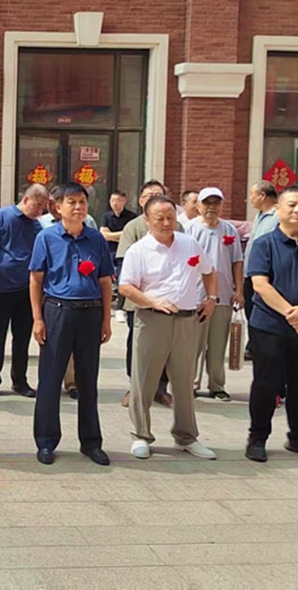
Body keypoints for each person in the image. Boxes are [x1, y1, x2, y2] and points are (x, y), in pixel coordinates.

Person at [119, 195, 220, 460]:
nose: (166, 223)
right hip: (152, 319)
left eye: (170, 217)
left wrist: (211, 298)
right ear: (147, 220)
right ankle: (141, 435)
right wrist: (152, 301)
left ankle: (186, 437)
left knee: (185, 381)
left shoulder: (189, 243)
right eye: (160, 218)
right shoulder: (139, 250)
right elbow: (126, 287)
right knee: (144, 379)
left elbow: (209, 271)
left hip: (187, 320)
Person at [244, 185, 298, 462]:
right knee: (266, 384)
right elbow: (260, 285)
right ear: (278, 209)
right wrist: (292, 315)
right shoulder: (264, 244)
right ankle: (257, 438)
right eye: (292, 205)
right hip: (270, 326)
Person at [29, 183, 113, 466]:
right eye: (72, 202)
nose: (78, 207)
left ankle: (91, 442)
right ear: (58, 207)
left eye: (82, 202)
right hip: (58, 311)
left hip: (90, 312)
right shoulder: (46, 237)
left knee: (88, 380)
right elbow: (36, 280)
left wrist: (106, 319)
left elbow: (105, 281)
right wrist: (38, 318)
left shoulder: (96, 239)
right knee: (50, 379)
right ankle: (46, 441)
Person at [0, 184, 49, 401]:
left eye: (43, 208)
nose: (39, 211)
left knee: (22, 338)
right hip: (1, 288)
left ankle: (20, 380)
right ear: (26, 200)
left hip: (26, 290)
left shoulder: (36, 226)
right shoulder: (1, 217)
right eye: (38, 206)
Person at [117, 180, 175, 409]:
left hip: (169, 301)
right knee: (138, 345)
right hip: (138, 301)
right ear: (141, 201)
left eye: (158, 194)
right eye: (148, 195)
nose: (153, 198)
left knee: (166, 347)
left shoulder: (177, 227)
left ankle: (160, 388)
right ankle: (136, 387)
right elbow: (123, 263)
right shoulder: (133, 227)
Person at [185, 187, 244, 401]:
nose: (211, 207)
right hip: (196, 296)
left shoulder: (229, 230)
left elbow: (237, 261)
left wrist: (239, 290)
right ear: (198, 206)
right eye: (207, 203)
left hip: (224, 295)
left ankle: (217, 385)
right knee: (194, 344)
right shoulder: (189, 229)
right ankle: (191, 384)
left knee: (218, 343)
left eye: (216, 203)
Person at [243, 180, 279, 325]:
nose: (249, 198)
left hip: (266, 276)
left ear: (262, 195)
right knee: (250, 314)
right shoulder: (259, 216)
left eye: (252, 194)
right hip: (250, 275)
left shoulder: (278, 216)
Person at [100, 190, 138, 324]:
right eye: (112, 201)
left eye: (118, 201)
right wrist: (122, 234)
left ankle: (120, 308)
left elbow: (130, 235)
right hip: (109, 251)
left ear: (124, 201)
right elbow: (104, 235)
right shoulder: (106, 216)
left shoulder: (132, 217)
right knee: (107, 279)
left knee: (122, 278)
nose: (115, 204)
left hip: (125, 252)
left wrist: (113, 235)